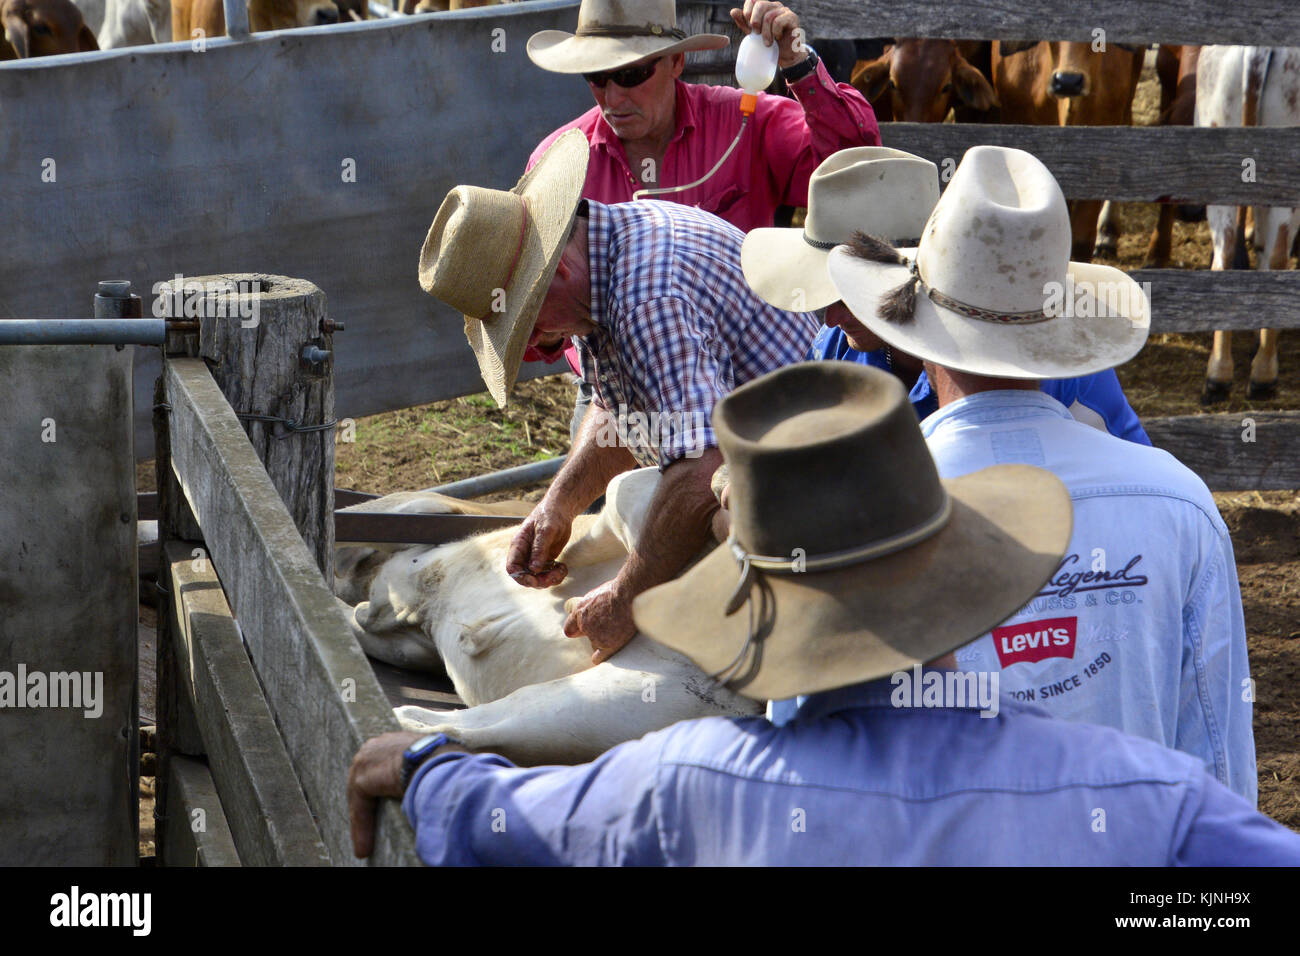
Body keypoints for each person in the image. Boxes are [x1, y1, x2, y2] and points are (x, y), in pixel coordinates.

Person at [346, 362, 1300, 865]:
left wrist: (427, 769)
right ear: (954, 575)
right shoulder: (1130, 798)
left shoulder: (683, 788)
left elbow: (512, 820)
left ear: (753, 602)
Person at [827, 144, 1257, 801]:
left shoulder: (863, 516)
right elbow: (1219, 769)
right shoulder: (1179, 503)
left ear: (917, 326)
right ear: (1057, 328)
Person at [417, 131, 818, 663]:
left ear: (554, 273)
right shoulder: (606, 254)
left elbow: (702, 467)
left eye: (524, 323)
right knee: (634, 497)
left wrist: (626, 602)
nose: (534, 343)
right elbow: (624, 408)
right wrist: (557, 504)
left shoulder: (645, 300)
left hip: (812, 490)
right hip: (754, 459)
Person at [523, 0, 879, 436]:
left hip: (752, 372)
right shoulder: (558, 166)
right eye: (596, 77)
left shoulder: (744, 124)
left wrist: (798, 64)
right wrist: (548, 323)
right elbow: (532, 315)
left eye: (632, 74)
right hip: (616, 386)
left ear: (677, 62)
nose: (614, 97)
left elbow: (850, 168)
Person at [740, 145, 1150, 443]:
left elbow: (1126, 479)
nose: (829, 318)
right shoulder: (835, 350)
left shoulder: (1053, 358)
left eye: (844, 293)